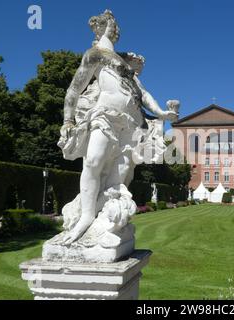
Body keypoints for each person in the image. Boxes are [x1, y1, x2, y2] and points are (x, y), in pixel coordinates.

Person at [58, 10, 178, 244]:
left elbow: (143, 94)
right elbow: (73, 90)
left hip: (130, 125)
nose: (115, 29)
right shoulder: (96, 54)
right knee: (93, 161)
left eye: (115, 25)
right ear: (100, 28)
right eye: (111, 25)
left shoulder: (126, 67)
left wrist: (162, 113)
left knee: (119, 180)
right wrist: (68, 120)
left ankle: (104, 222)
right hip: (104, 115)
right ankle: (86, 217)